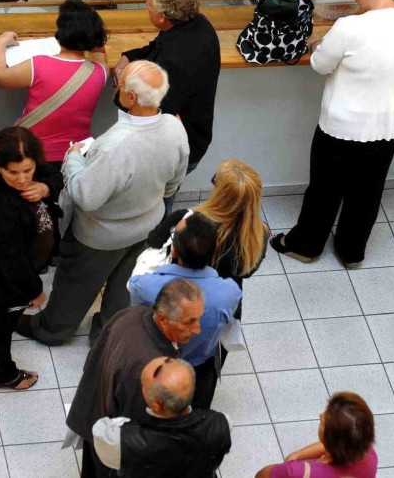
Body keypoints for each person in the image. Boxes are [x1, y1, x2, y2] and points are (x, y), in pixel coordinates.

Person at [270, 0, 394, 269]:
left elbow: (320, 65)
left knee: (325, 189)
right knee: (368, 192)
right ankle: (351, 251)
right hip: (392, 125)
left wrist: (317, 44)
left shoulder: (349, 27)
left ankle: (305, 245)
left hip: (343, 128)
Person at [19, 60, 189, 345]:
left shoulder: (114, 145)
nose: (116, 87)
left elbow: (85, 196)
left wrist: (73, 158)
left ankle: (53, 330)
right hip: (147, 226)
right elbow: (172, 184)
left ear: (130, 98)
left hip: (100, 236)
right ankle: (107, 333)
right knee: (123, 288)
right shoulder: (175, 127)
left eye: (119, 85)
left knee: (75, 285)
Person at [68, 279, 204, 478]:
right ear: (164, 319)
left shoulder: (131, 314)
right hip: (114, 440)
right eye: (189, 322)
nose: (197, 329)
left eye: (199, 318)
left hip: (93, 413)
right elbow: (139, 427)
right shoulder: (153, 369)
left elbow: (94, 358)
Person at [113, 0, 220, 211]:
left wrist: (121, 91)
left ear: (162, 17)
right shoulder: (196, 24)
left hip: (177, 148)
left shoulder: (176, 62)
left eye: (149, 3)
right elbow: (156, 48)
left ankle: (156, 240)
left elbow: (151, 109)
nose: (145, 4)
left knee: (157, 202)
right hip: (192, 138)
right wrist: (129, 56)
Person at [0, 127, 62, 390]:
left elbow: (55, 175)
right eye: (13, 172)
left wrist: (45, 187)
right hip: (11, 277)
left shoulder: (35, 170)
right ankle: (2, 374)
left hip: (18, 273)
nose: (22, 179)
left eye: (28, 170)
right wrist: (33, 290)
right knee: (3, 324)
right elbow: (11, 259)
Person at [129, 213, 243, 409]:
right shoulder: (230, 292)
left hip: (155, 365)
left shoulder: (145, 286)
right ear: (215, 253)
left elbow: (135, 311)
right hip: (200, 369)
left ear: (174, 251)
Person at [0, 0, 109, 167]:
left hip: (32, 153)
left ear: (60, 35)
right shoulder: (100, 73)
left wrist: (1, 43)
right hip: (75, 155)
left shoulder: (38, 65)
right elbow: (99, 50)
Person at [92, 357, 232, 478]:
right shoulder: (220, 426)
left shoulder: (120, 440)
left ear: (157, 405)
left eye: (143, 386)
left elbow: (100, 429)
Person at [147, 159, 270, 289]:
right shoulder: (260, 232)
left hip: (186, 295)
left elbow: (153, 243)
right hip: (226, 301)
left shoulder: (185, 219)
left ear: (220, 193)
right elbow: (247, 273)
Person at [255, 391, 378, 478]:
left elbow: (262, 475)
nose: (320, 415)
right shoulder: (369, 457)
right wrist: (297, 455)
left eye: (323, 422)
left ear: (329, 438)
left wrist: (289, 466)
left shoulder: (297, 473)